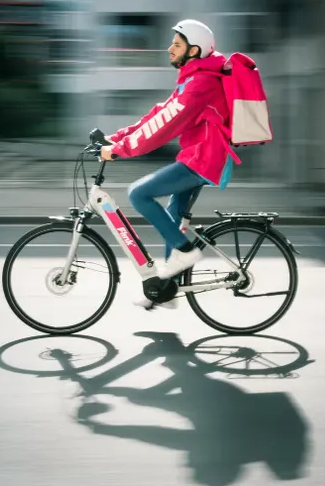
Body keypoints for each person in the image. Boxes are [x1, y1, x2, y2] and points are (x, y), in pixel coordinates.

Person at [100, 19, 239, 307]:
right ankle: (167, 292)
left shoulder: (201, 83)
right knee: (173, 220)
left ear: (194, 49)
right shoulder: (193, 78)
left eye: (177, 44)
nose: (169, 48)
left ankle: (185, 253)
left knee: (138, 193)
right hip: (198, 157)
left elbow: (165, 124)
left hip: (202, 161)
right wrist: (115, 138)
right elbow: (158, 113)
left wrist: (120, 151)